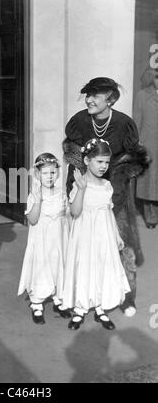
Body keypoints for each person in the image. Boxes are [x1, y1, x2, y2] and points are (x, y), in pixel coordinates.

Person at [63, 77, 149, 318]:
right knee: (81, 244)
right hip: (83, 191)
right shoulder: (80, 120)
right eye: (87, 95)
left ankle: (125, 295)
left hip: (115, 193)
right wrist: (82, 176)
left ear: (110, 99)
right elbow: (70, 150)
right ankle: (77, 296)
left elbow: (137, 158)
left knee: (122, 243)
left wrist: (118, 176)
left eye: (95, 96)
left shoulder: (124, 124)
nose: (89, 99)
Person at [63, 138, 131, 331]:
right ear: (86, 161)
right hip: (84, 235)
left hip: (104, 234)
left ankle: (100, 308)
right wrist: (82, 189)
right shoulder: (80, 184)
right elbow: (75, 212)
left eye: (107, 162)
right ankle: (80, 309)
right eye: (99, 161)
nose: (103, 166)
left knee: (102, 268)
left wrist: (116, 235)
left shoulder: (106, 186)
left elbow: (108, 211)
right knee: (85, 267)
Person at [18, 153, 71, 324]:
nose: (49, 176)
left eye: (53, 172)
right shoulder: (34, 194)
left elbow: (66, 216)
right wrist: (39, 200)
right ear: (37, 174)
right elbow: (32, 220)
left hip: (58, 240)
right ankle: (37, 303)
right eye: (45, 173)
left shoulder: (61, 193)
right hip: (41, 240)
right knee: (42, 267)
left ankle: (58, 298)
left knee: (58, 266)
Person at [134, 67, 158, 228]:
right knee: (150, 181)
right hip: (151, 144)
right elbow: (136, 121)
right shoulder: (143, 96)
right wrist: (139, 143)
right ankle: (151, 216)